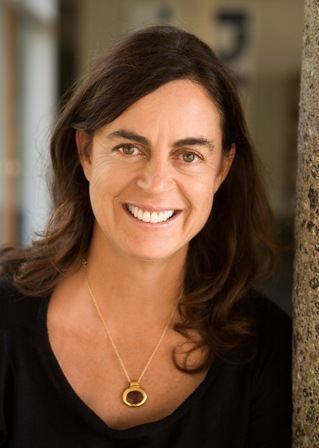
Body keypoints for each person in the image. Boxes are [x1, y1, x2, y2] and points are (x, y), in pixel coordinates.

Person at [0, 25, 291, 447]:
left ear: (222, 169)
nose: (155, 184)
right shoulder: (6, 322)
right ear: (85, 152)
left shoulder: (266, 349)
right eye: (128, 148)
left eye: (188, 155)